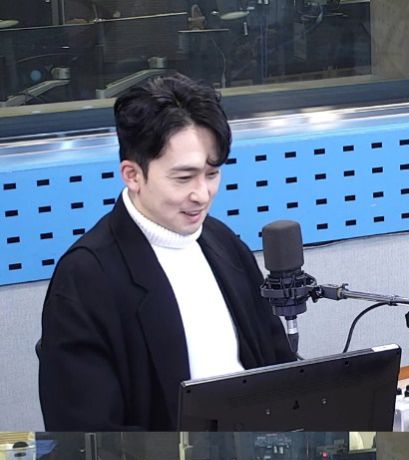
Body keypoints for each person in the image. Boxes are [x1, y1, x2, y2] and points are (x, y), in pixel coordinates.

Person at [38, 73, 293, 431]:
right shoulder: (86, 277)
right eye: (183, 178)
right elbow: (86, 433)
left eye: (211, 174)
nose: (202, 194)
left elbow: (279, 368)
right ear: (132, 175)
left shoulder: (223, 243)